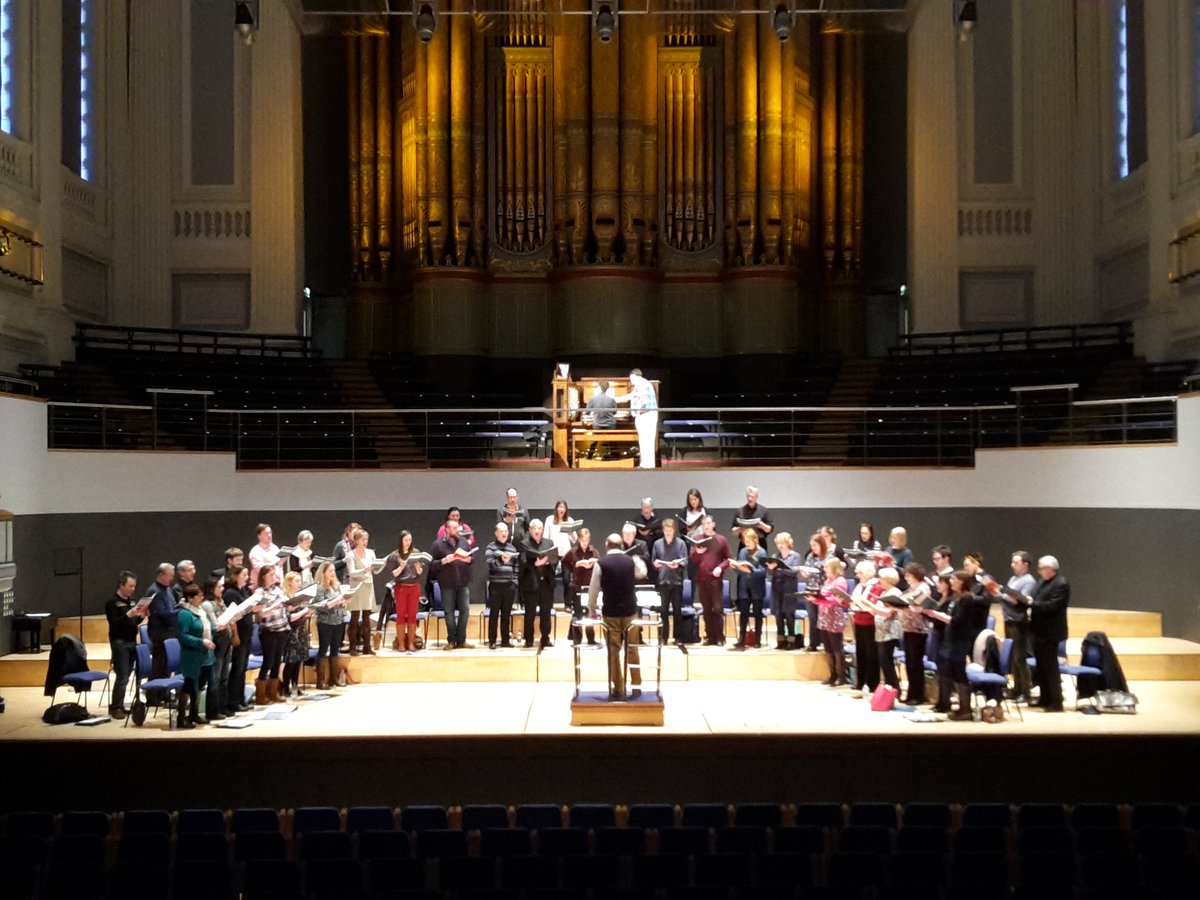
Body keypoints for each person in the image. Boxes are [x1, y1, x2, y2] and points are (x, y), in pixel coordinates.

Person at [587, 533, 649, 699]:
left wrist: (591, 609)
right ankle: (636, 685)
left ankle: (618, 688)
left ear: (607, 546)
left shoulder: (601, 563)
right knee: (632, 649)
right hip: (630, 611)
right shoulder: (630, 561)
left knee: (613, 652)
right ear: (622, 546)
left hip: (611, 613)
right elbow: (642, 573)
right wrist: (637, 559)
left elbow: (593, 590)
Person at [925, 570, 991, 720]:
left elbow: (957, 620)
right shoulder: (957, 597)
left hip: (959, 641)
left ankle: (965, 709)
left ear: (962, 581)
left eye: (954, 579)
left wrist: (935, 614)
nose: (951, 582)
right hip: (951, 639)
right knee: (952, 673)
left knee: (959, 674)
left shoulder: (967, 598)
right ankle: (960, 707)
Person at [1028, 555, 1070, 712]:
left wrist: (1032, 603)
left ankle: (1056, 702)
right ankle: (1045, 698)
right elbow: (1034, 598)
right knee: (1041, 667)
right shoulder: (1042, 582)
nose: (1039, 571)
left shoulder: (1061, 584)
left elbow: (1053, 606)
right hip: (1038, 630)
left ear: (1051, 569)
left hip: (1051, 631)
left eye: (1041, 568)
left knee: (1050, 668)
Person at [429, 518, 476, 649]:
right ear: (447, 529)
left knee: (465, 611)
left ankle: (461, 640)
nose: (457, 531)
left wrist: (469, 559)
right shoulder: (437, 545)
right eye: (454, 528)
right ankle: (451, 640)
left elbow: (472, 559)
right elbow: (431, 565)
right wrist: (443, 561)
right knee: (449, 612)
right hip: (447, 583)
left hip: (463, 582)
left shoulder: (464, 542)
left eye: (458, 528)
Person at [103, 570, 143, 719]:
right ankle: (116, 707)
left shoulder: (131, 601)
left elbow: (132, 623)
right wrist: (128, 615)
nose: (133, 589)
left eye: (134, 586)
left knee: (128, 674)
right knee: (122, 675)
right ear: (121, 585)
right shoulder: (112, 602)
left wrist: (141, 616)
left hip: (132, 641)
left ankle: (120, 704)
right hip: (119, 642)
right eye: (131, 586)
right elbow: (114, 624)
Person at [176, 584, 215, 729]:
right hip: (192, 655)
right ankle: (181, 718)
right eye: (198, 596)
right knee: (189, 685)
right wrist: (201, 641)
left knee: (200, 685)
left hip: (205, 654)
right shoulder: (185, 614)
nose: (202, 598)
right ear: (190, 598)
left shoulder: (201, 611)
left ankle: (194, 714)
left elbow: (208, 628)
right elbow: (183, 636)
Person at [688, 514, 731, 646]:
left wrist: (720, 567)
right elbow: (693, 559)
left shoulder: (721, 540)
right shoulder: (697, 539)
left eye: (708, 523)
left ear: (713, 524)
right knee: (706, 609)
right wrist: (697, 553)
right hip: (702, 579)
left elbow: (729, 558)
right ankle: (709, 636)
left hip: (715, 580)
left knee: (717, 609)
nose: (706, 526)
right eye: (704, 524)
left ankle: (719, 637)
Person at [1000, 550, 1037, 702]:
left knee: (1020, 657)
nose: (1012, 565)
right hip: (1009, 620)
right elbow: (1008, 595)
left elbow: (1019, 600)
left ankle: (1026, 691)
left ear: (1025, 565)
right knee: (1013, 657)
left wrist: (1004, 594)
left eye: (1016, 562)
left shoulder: (1029, 580)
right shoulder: (1014, 578)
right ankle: (1016, 689)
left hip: (1019, 622)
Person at [252, 566, 289, 704]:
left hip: (282, 628)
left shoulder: (277, 590)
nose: (274, 576)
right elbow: (261, 614)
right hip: (269, 630)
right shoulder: (260, 593)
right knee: (268, 661)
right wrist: (276, 604)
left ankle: (273, 693)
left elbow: (285, 607)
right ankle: (261, 696)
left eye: (275, 574)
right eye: (271, 574)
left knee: (277, 661)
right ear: (263, 577)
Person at [384, 531, 425, 653]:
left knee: (412, 615)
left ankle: (411, 642)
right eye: (406, 540)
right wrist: (401, 567)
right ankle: (401, 643)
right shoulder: (395, 555)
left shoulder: (416, 553)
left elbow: (419, 572)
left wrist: (419, 570)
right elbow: (394, 574)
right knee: (401, 615)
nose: (408, 543)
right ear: (401, 540)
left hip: (414, 586)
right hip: (401, 587)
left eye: (410, 540)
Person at [518, 518, 556, 648]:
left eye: (539, 528)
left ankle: (545, 638)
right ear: (530, 530)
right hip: (531, 583)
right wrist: (535, 563)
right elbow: (522, 561)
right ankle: (529, 639)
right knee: (530, 613)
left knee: (546, 613)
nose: (537, 531)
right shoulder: (525, 543)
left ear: (542, 530)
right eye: (534, 528)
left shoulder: (549, 543)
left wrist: (547, 561)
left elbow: (555, 560)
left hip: (546, 582)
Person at [899, 563, 933, 704]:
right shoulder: (911, 588)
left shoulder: (924, 588)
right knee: (909, 662)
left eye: (908, 575)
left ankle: (918, 695)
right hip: (908, 628)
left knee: (916, 663)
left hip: (919, 629)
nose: (906, 578)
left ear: (915, 575)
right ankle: (911, 694)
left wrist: (903, 606)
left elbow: (918, 607)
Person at [650, 517, 688, 645]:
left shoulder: (681, 543)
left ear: (674, 530)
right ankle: (663, 637)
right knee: (663, 611)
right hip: (663, 581)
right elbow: (653, 560)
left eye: (670, 530)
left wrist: (678, 565)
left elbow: (685, 560)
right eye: (666, 530)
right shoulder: (657, 544)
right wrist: (655, 564)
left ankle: (678, 637)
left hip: (676, 581)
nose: (668, 532)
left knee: (677, 611)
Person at [144, 562, 178, 704]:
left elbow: (172, 606)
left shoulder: (168, 589)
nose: (172, 578)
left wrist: (178, 607)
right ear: (162, 575)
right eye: (170, 575)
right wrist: (180, 609)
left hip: (169, 632)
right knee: (159, 665)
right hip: (159, 633)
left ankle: (163, 693)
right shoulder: (154, 591)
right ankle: (152, 696)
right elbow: (162, 613)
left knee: (166, 665)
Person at [312, 561, 348, 688]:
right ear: (323, 573)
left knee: (335, 650)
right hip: (326, 622)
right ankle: (320, 681)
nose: (333, 573)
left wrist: (343, 602)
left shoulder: (336, 586)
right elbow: (321, 607)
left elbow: (339, 601)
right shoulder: (320, 588)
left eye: (333, 570)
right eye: (330, 571)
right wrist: (335, 601)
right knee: (323, 649)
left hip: (338, 621)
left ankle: (334, 678)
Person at [849, 561, 883, 696]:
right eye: (857, 572)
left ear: (868, 573)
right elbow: (854, 600)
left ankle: (872, 683)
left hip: (870, 623)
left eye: (860, 573)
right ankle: (860, 682)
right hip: (859, 621)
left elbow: (872, 605)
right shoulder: (859, 586)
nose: (857, 575)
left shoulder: (876, 587)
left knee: (871, 654)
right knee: (860, 653)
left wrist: (860, 605)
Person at [200, 577, 231, 722]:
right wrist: (224, 622)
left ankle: (223, 706)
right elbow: (214, 624)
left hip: (226, 642)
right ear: (211, 588)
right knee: (215, 679)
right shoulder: (207, 604)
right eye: (219, 587)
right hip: (217, 644)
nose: (222, 589)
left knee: (224, 677)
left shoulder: (220, 601)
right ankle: (212, 711)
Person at [561, 527, 600, 645]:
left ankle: (591, 638)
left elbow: (601, 564)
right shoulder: (573, 552)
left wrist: (593, 563)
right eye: (582, 541)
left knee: (590, 612)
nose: (584, 543)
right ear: (578, 540)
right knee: (577, 613)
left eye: (586, 540)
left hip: (590, 587)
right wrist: (574, 566)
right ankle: (577, 639)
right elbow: (564, 562)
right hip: (577, 586)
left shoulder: (594, 552)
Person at [223, 565, 253, 714]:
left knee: (242, 669)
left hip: (247, 634)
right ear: (235, 576)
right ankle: (233, 701)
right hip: (238, 634)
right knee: (237, 668)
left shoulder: (245, 591)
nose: (246, 578)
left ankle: (241, 698)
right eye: (244, 575)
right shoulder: (230, 593)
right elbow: (231, 615)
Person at [815, 558, 850, 686]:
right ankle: (832, 675)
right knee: (828, 646)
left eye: (826, 567)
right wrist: (815, 599)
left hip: (834, 615)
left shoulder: (840, 580)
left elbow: (836, 599)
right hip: (824, 614)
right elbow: (824, 596)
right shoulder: (828, 580)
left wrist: (820, 600)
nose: (824, 569)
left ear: (834, 568)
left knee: (836, 646)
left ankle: (841, 676)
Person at [868, 567, 905, 691]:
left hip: (890, 631)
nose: (879, 580)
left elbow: (888, 613)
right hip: (881, 631)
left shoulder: (895, 592)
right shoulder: (884, 592)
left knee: (886, 660)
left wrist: (870, 605)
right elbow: (877, 611)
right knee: (883, 660)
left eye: (881, 578)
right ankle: (890, 687)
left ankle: (895, 689)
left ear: (888, 579)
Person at [729, 528, 766, 649]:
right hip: (744, 587)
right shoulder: (743, 551)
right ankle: (741, 638)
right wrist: (734, 567)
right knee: (743, 614)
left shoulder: (762, 552)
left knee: (757, 614)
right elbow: (740, 568)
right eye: (745, 541)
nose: (747, 543)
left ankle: (757, 640)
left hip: (757, 588)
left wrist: (751, 570)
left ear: (755, 540)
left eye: (749, 540)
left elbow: (763, 571)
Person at [344, 528, 379, 656]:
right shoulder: (351, 555)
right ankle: (353, 646)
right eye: (363, 540)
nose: (365, 542)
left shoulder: (370, 553)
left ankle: (367, 646)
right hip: (356, 588)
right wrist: (365, 570)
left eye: (366, 540)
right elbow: (352, 573)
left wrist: (379, 567)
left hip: (368, 587)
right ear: (357, 540)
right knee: (354, 617)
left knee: (366, 618)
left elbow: (375, 570)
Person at [615, 368, 659, 468]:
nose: (630, 381)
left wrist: (636, 411)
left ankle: (648, 465)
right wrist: (616, 399)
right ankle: (646, 464)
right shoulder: (643, 384)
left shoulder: (641, 384)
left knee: (646, 440)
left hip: (646, 416)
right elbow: (631, 396)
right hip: (646, 415)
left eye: (631, 378)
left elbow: (642, 401)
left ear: (634, 376)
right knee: (645, 440)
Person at [485, 523, 520, 648]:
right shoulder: (491, 547)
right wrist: (501, 560)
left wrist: (515, 581)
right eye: (502, 531)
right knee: (494, 614)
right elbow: (490, 564)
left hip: (509, 585)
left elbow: (516, 566)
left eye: (506, 531)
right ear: (496, 533)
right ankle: (492, 641)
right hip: (495, 585)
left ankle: (505, 640)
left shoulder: (512, 548)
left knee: (506, 614)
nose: (504, 533)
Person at [766, 533, 802, 650]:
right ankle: (781, 640)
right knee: (778, 615)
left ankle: (791, 640)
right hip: (777, 588)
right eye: (778, 543)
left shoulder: (795, 555)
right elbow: (771, 573)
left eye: (782, 543)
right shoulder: (775, 556)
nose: (780, 546)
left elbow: (794, 571)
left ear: (788, 543)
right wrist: (771, 569)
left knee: (789, 614)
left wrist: (780, 569)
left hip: (789, 589)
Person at [281, 571, 314, 698]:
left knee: (298, 660)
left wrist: (309, 611)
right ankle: (285, 687)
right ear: (289, 583)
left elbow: (302, 615)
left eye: (300, 581)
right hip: (291, 632)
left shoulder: (300, 597)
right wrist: (304, 610)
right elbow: (290, 618)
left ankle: (295, 686)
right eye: (297, 581)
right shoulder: (286, 598)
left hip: (301, 631)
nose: (300, 584)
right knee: (291, 661)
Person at [800, 533, 830, 652]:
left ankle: (825, 642)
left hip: (823, 591)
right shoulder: (810, 556)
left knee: (823, 618)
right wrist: (804, 573)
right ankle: (813, 643)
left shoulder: (828, 556)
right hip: (810, 589)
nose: (813, 548)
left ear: (821, 545)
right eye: (812, 545)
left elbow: (829, 571)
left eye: (815, 545)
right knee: (813, 618)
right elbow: (806, 570)